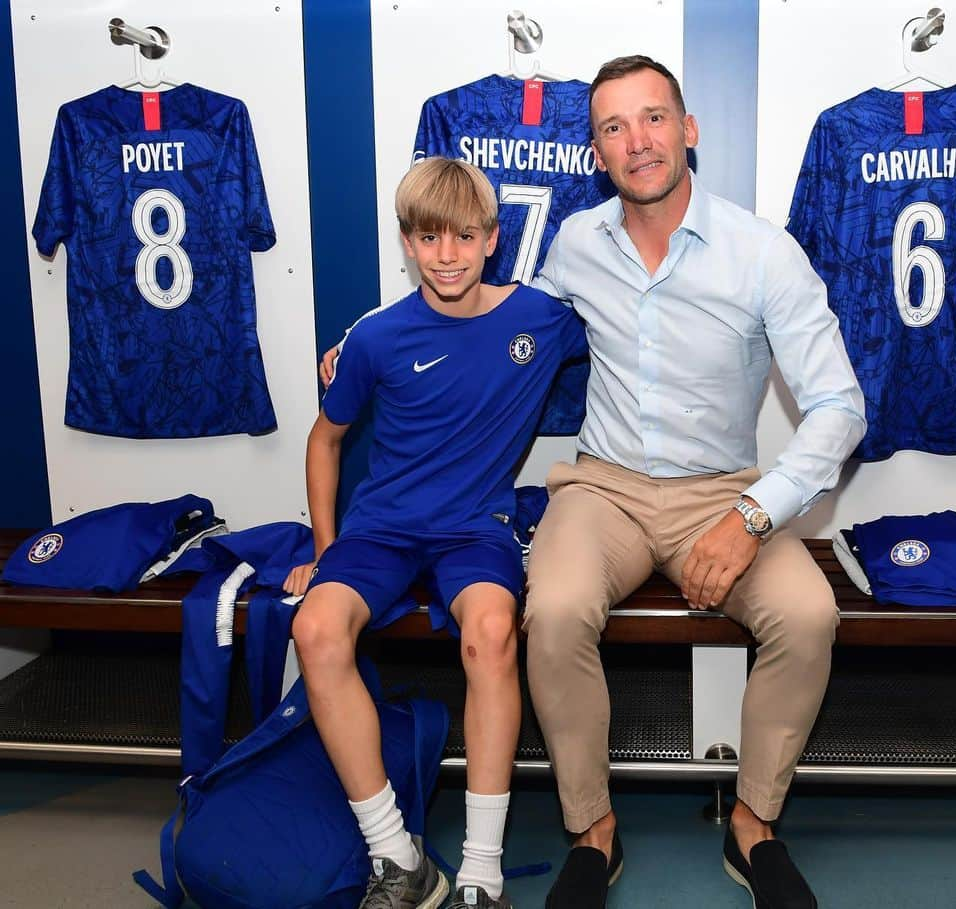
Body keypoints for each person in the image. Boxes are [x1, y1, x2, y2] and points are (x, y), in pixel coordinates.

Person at [520, 57, 865, 909]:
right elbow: (494, 323)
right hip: (605, 490)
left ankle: (753, 825)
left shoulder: (762, 251)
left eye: (653, 118)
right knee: (554, 609)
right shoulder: (575, 243)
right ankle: (593, 831)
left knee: (809, 612)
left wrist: (752, 515)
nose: (637, 142)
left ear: (689, 129)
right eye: (613, 127)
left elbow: (839, 405)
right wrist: (368, 338)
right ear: (596, 150)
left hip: (724, 493)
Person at [289, 156, 588, 909]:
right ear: (406, 243)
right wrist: (324, 553)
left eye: (462, 236)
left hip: (471, 527)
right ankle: (397, 857)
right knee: (316, 628)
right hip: (382, 526)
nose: (446, 254)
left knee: (492, 630)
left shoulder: (540, 319)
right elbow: (324, 440)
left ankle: (481, 874)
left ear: (492, 239)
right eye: (428, 238)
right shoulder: (377, 336)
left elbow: (630, 326)